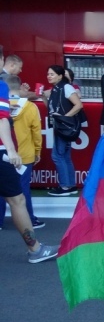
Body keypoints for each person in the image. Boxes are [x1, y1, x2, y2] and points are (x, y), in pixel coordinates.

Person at [0, 77, 58, 261]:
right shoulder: (2, 87)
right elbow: (2, 120)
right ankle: (35, 249)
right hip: (3, 153)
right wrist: (10, 149)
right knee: (17, 200)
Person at [0, 75, 44, 230]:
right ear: (19, 87)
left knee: (2, 189)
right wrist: (37, 151)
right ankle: (30, 220)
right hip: (23, 154)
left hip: (4, 152)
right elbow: (36, 133)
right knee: (22, 190)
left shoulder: (3, 104)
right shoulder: (31, 107)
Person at [44, 65, 83, 196]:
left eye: (52, 74)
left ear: (60, 76)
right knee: (64, 156)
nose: (49, 76)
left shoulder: (65, 87)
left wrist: (64, 118)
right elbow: (51, 108)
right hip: (61, 126)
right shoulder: (57, 88)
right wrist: (43, 97)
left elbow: (78, 105)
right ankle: (70, 185)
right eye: (48, 74)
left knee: (57, 155)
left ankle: (65, 186)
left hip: (63, 127)